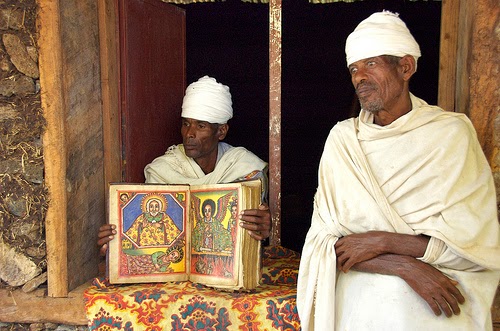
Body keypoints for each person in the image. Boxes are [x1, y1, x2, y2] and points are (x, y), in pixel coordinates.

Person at [297, 11, 500, 331]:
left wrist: (382, 240)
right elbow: (325, 245)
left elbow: (477, 246)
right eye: (354, 68)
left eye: (371, 64)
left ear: (405, 67)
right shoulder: (342, 141)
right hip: (362, 295)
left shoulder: (450, 134)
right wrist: (405, 266)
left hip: (442, 293)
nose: (360, 77)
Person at [98, 75, 271, 256]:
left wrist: (264, 227)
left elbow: (253, 233)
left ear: (221, 131)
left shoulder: (245, 168)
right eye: (186, 124)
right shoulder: (163, 171)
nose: (189, 133)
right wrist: (116, 243)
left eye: (201, 126)